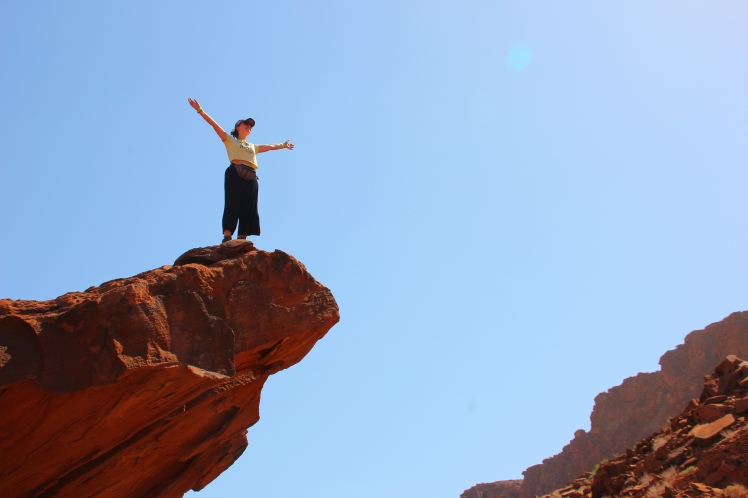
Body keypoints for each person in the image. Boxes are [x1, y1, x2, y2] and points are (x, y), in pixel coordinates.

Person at [188, 98, 294, 243]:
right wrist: (200, 110)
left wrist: (283, 145)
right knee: (232, 203)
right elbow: (214, 125)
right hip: (235, 172)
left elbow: (269, 146)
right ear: (238, 126)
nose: (249, 127)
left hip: (251, 176)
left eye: (251, 126)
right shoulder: (230, 140)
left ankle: (242, 238)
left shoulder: (252, 146)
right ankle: (227, 236)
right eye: (246, 124)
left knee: (249, 206)